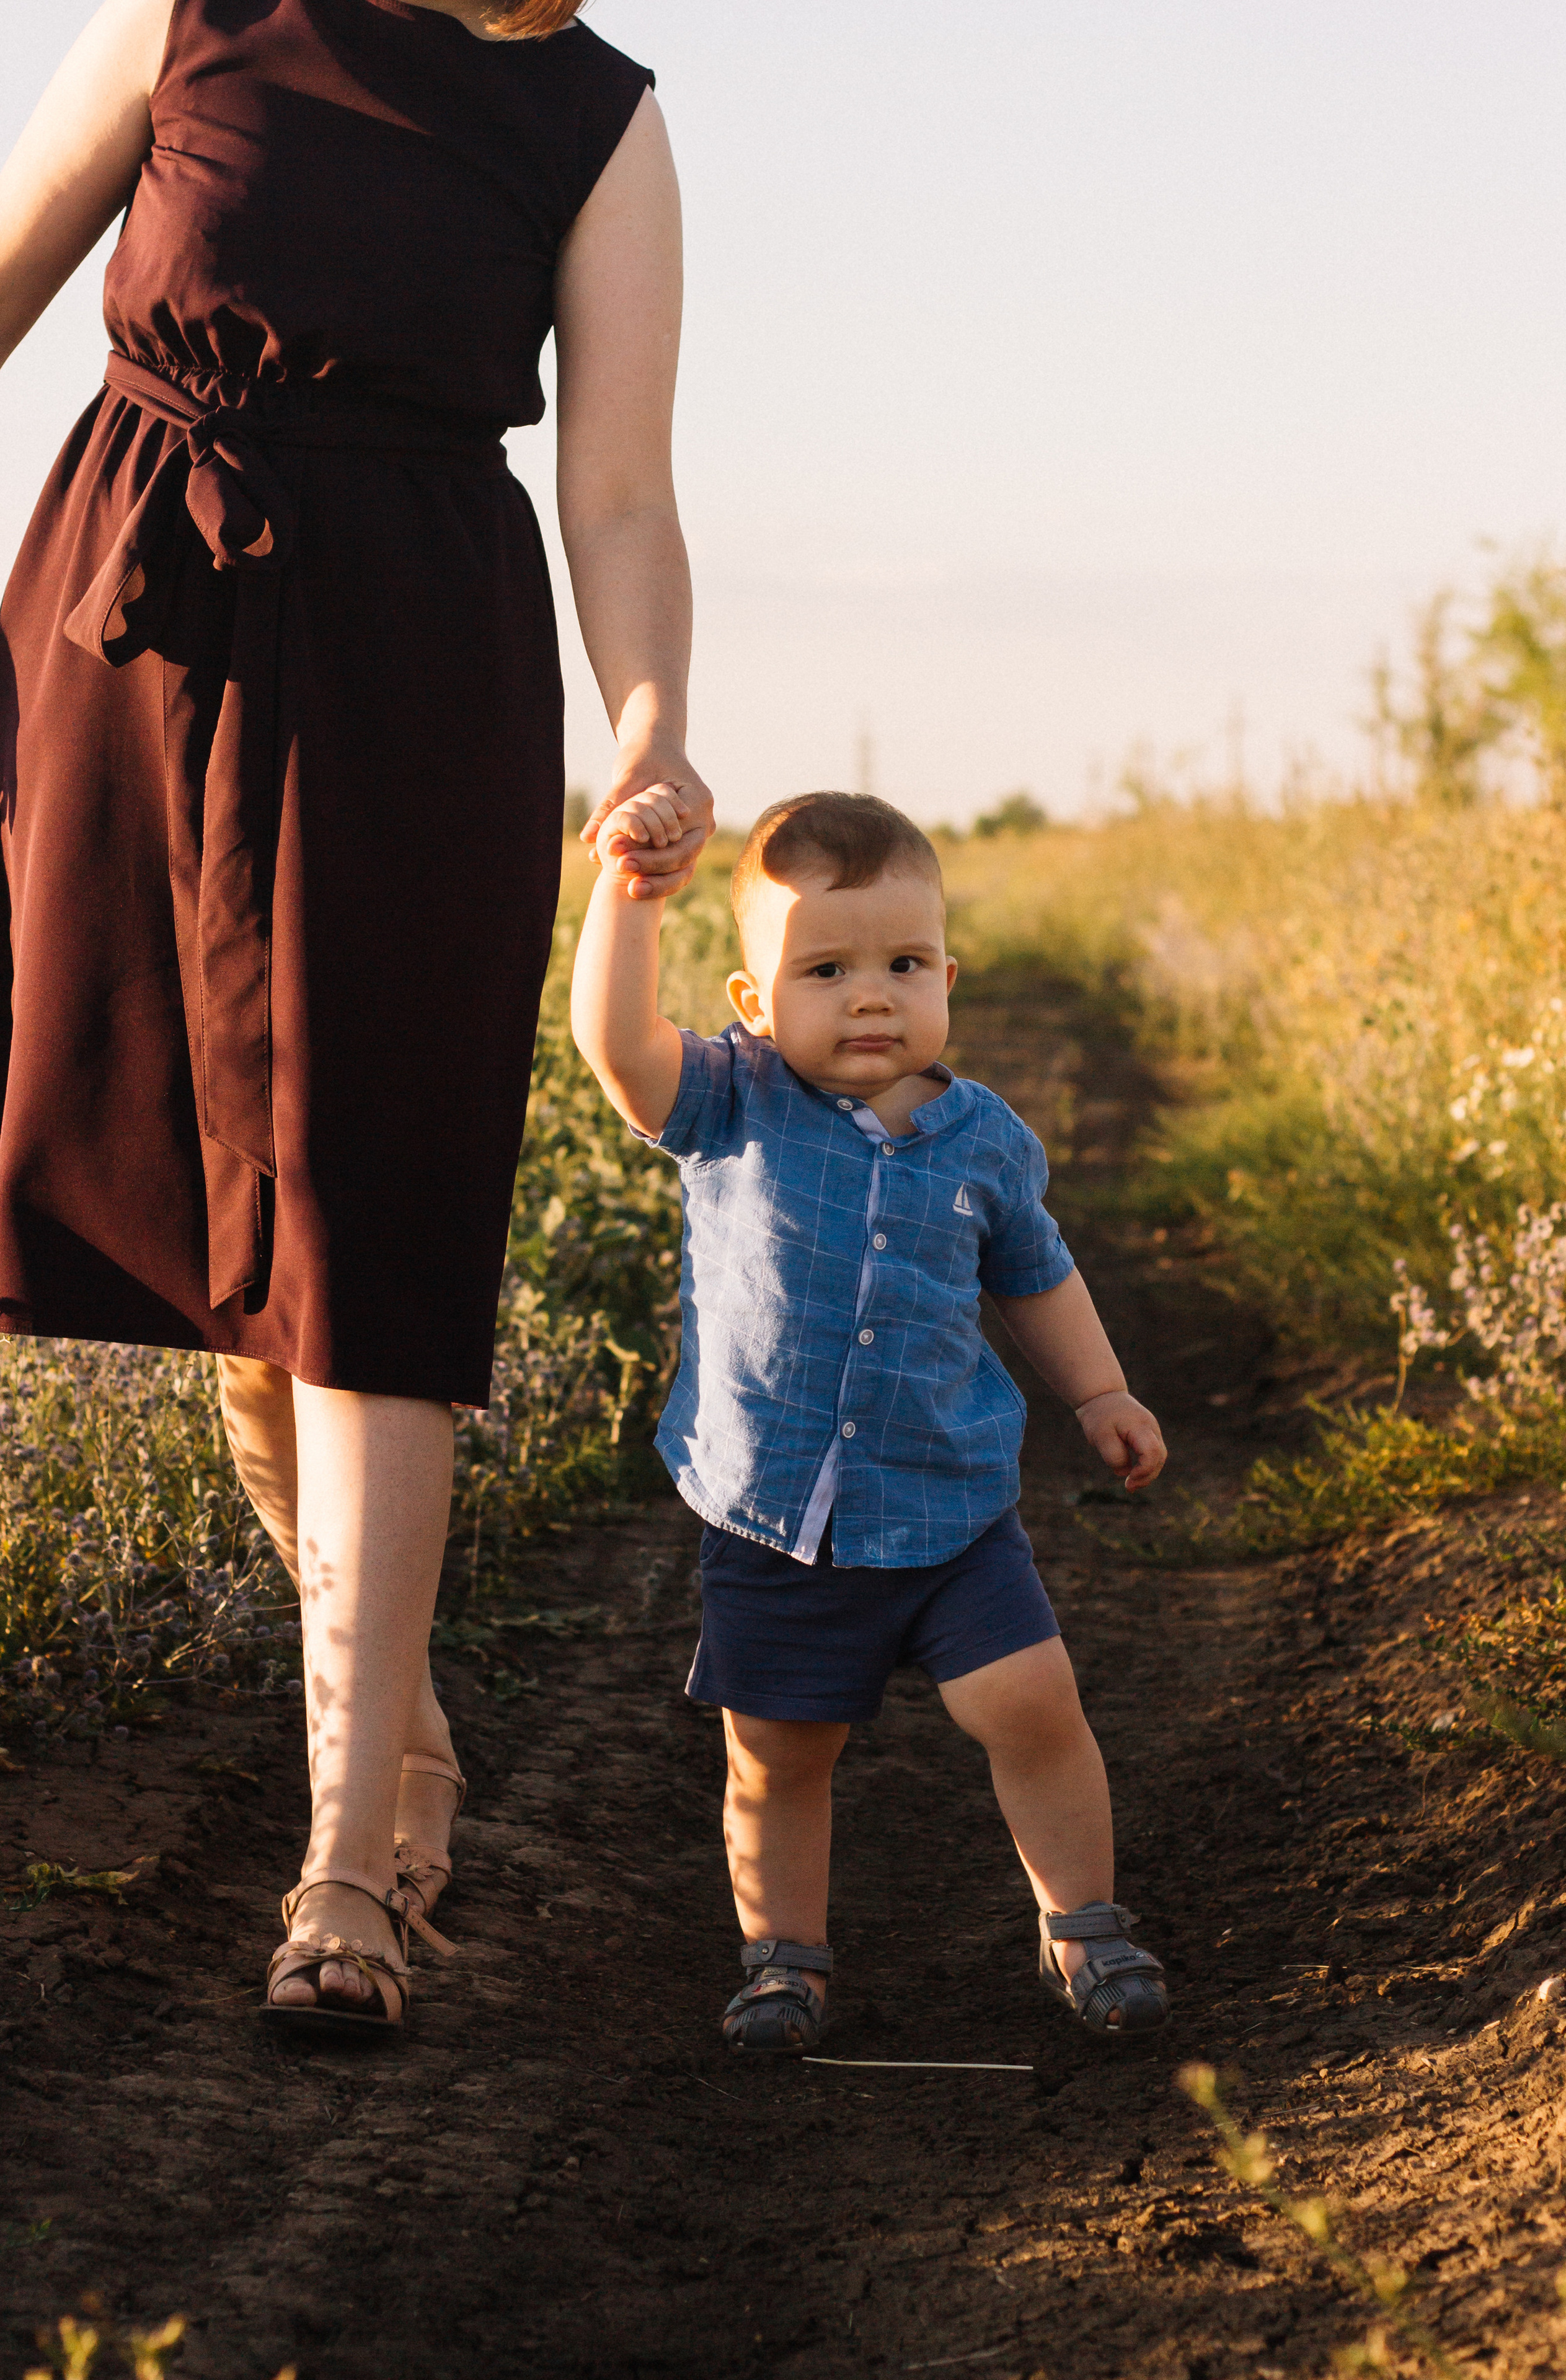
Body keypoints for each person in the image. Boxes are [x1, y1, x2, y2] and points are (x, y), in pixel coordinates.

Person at [0, 0, 711, 2030]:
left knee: (365, 1241)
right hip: (129, 629)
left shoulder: (600, 118)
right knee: (235, 1293)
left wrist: (648, 720)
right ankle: (390, 1726)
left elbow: (628, 495)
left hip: (413, 671)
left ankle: (345, 1888)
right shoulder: (193, 10)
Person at [570, 789, 1171, 2051]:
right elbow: (616, 1046)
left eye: (903, 965)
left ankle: (1084, 1926)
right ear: (754, 999)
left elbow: (1034, 1276)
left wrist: (1099, 1391)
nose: (869, 997)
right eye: (826, 968)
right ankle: (782, 1960)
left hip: (950, 1507)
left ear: (947, 976)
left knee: (1032, 1703)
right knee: (778, 1755)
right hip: (776, 1519)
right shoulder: (729, 1103)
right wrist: (627, 900)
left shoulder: (981, 1141)